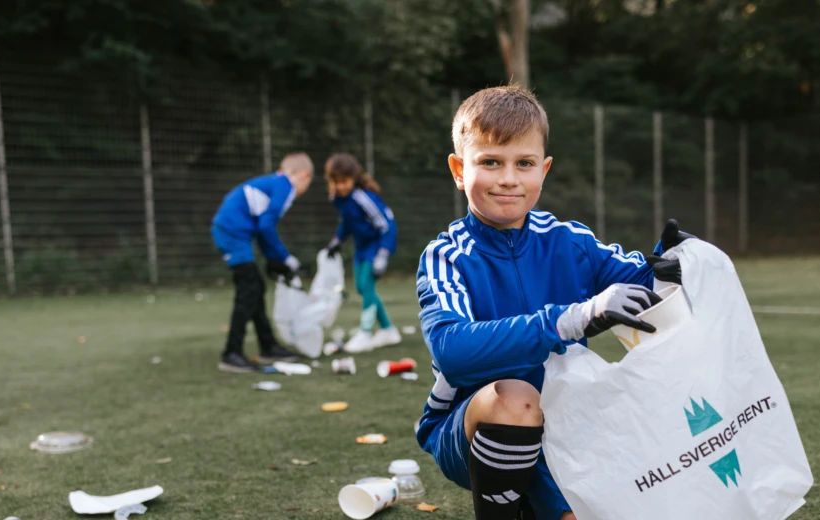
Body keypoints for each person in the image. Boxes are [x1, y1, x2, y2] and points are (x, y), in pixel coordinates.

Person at [414, 86, 691, 520]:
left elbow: (644, 283)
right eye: (490, 162)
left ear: (543, 170)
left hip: (569, 425)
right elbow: (452, 352)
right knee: (516, 398)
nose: (509, 178)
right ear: (458, 169)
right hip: (473, 427)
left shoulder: (569, 240)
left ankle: (533, 501)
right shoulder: (447, 256)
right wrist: (571, 319)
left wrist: (673, 258)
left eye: (524, 163)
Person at [211, 152, 315, 373]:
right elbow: (266, 226)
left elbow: (261, 226)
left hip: (233, 231)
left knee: (256, 288)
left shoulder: (273, 183)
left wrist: (274, 259)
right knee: (249, 290)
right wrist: (285, 258)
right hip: (232, 233)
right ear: (304, 175)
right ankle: (231, 353)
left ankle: (268, 346)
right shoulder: (285, 186)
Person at [322, 153, 402, 353]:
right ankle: (388, 330)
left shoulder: (363, 198)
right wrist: (336, 241)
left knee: (366, 286)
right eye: (336, 181)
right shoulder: (337, 198)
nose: (341, 186)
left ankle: (365, 333)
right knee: (362, 287)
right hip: (361, 246)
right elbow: (346, 222)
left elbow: (386, 226)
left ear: (354, 178)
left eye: (345, 181)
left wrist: (383, 255)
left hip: (377, 244)